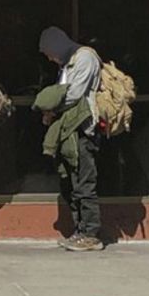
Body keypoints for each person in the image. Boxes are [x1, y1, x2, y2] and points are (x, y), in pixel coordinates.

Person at [37, 26, 104, 252]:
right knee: (70, 183)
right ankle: (79, 230)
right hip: (68, 130)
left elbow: (74, 94)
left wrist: (51, 106)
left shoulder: (85, 58)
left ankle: (91, 233)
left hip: (82, 129)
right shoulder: (66, 64)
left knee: (84, 183)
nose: (49, 58)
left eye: (49, 52)